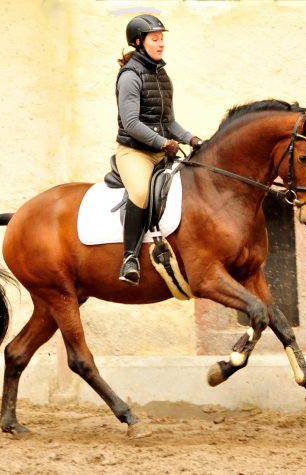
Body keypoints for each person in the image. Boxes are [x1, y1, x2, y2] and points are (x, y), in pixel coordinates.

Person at [115, 14, 202, 286]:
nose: (161, 43)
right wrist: (163, 143)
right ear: (139, 42)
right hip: (135, 153)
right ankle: (130, 257)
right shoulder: (130, 77)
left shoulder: (162, 76)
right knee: (140, 191)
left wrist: (193, 139)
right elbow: (131, 123)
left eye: (162, 38)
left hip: (163, 151)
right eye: (155, 38)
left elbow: (169, 122)